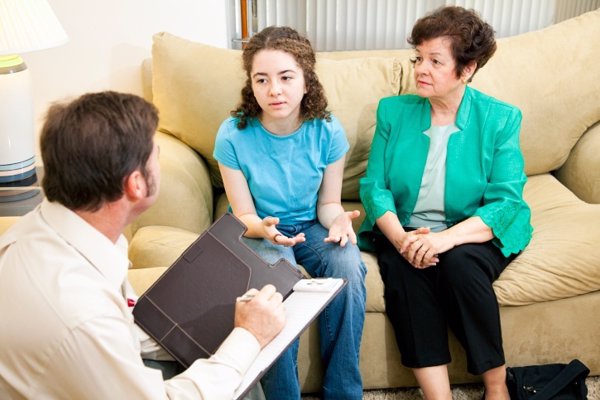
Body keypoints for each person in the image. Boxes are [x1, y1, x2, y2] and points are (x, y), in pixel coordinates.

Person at [0, 91, 285, 399]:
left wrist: (205, 333)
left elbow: (123, 327)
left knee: (226, 355)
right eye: (156, 154)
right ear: (135, 184)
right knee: (238, 368)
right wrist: (249, 335)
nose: (160, 158)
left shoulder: (45, 229)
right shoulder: (81, 315)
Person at [358, 6, 532, 400]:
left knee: (461, 267)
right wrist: (402, 239)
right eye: (418, 58)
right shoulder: (393, 112)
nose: (421, 68)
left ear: (466, 68)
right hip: (405, 226)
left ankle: (496, 388)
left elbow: (505, 202)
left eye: (435, 61)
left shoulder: (501, 119)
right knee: (405, 275)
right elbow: (374, 187)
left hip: (472, 227)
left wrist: (443, 240)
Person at [213, 26, 366, 399]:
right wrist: (264, 230)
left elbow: (328, 205)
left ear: (306, 80)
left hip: (311, 224)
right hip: (258, 229)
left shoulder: (327, 130)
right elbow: (244, 216)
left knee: (347, 264)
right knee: (275, 285)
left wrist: (340, 220)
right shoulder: (233, 134)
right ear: (251, 84)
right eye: (261, 80)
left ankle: (343, 392)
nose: (274, 90)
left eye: (285, 77)